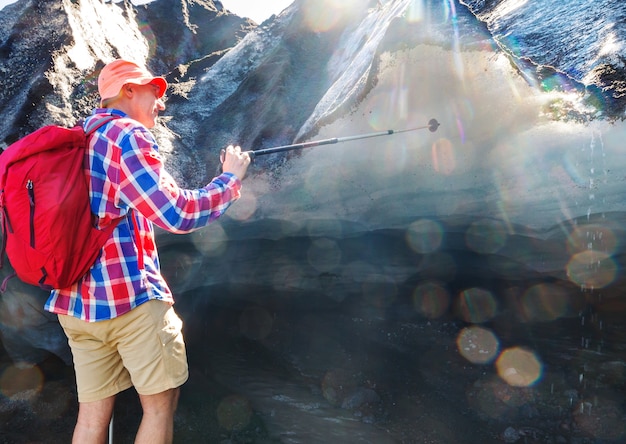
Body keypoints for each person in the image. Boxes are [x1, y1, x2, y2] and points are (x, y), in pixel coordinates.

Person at [44, 59, 251, 444]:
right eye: (153, 92)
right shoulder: (126, 135)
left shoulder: (77, 138)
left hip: (74, 306)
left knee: (91, 419)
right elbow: (176, 213)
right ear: (128, 92)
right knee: (159, 406)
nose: (160, 102)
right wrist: (229, 179)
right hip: (129, 301)